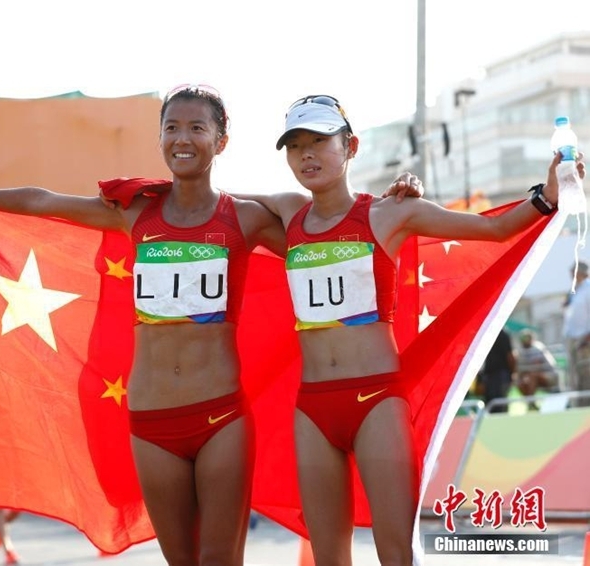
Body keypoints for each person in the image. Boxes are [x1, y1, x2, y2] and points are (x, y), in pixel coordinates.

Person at [0, 85, 422, 566]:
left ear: (220, 141)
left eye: (197, 128)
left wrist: (393, 201)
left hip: (222, 416)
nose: (182, 138)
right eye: (171, 127)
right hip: (151, 421)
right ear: (158, 139)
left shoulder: (246, 218)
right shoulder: (136, 214)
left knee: (219, 560)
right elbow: (43, 202)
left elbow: (332, 238)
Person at [244, 93, 585, 565]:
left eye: (320, 140)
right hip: (312, 407)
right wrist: (150, 195)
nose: (307, 154)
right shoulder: (287, 211)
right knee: (327, 556)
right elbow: (213, 206)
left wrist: (546, 196)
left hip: (374, 402)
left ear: (350, 147)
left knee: (396, 552)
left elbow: (495, 230)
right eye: (295, 144)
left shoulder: (390, 213)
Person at [563, 260, 590, 407]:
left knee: (586, 374)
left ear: (581, 273)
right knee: (574, 375)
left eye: (573, 272)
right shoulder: (575, 290)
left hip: (585, 339)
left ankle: (586, 406)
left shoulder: (588, 288)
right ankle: (577, 405)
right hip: (572, 337)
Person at [515, 329, 558, 405]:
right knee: (518, 381)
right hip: (532, 377)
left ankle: (530, 402)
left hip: (550, 376)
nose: (525, 340)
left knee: (533, 376)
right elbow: (520, 371)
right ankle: (530, 404)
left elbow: (536, 368)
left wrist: (526, 374)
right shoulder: (520, 351)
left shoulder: (537, 348)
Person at [479, 328, 516, 414]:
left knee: (497, 405)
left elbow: (510, 356)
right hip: (494, 375)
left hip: (498, 375)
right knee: (497, 405)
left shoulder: (488, 334)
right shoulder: (501, 334)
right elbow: (510, 356)